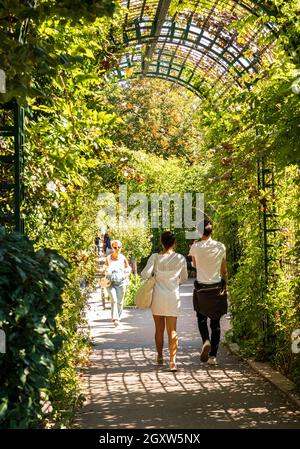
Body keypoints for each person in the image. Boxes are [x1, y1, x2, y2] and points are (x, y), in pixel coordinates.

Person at [141, 231, 188, 372]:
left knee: (159, 329)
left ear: (161, 242)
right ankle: (172, 361)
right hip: (173, 297)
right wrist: (174, 281)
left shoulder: (155, 257)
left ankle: (160, 356)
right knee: (172, 330)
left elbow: (144, 274)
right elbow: (184, 278)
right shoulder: (180, 258)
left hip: (158, 297)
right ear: (174, 243)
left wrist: (156, 276)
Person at [190, 218, 228, 366]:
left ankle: (206, 340)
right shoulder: (220, 246)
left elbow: (194, 265)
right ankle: (213, 357)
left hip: (201, 288)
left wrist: (194, 250)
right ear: (212, 231)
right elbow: (223, 269)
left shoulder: (196, 247)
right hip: (216, 287)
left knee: (201, 318)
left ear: (200, 232)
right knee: (216, 322)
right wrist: (226, 284)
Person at [104, 240, 131, 327]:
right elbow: (104, 269)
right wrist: (106, 271)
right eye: (115, 247)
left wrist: (125, 275)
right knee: (114, 299)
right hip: (110, 282)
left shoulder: (123, 258)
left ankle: (118, 318)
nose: (117, 249)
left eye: (119, 247)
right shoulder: (108, 258)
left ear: (121, 247)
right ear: (112, 248)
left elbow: (128, 269)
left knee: (120, 302)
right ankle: (114, 318)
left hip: (121, 282)